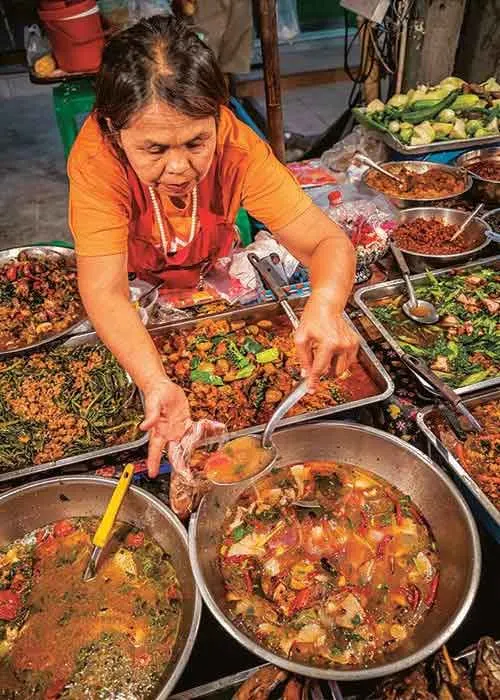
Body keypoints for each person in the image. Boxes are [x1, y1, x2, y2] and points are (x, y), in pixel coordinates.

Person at [68, 14, 358, 477]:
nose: (180, 168)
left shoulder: (237, 146)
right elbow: (104, 290)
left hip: (211, 264)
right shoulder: (97, 161)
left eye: (196, 142)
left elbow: (326, 240)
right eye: (155, 150)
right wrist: (154, 379)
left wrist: (324, 304)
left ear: (218, 119)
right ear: (114, 130)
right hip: (136, 280)